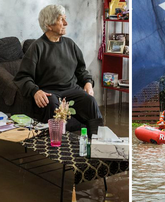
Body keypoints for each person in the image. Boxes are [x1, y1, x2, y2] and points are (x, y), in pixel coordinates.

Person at [13, 5, 103, 137]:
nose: (66, 23)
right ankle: (58, 146)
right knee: (52, 105)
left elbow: (81, 70)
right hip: (49, 93)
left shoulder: (70, 44)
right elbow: (23, 77)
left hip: (72, 91)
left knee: (90, 102)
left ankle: (98, 143)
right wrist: (35, 91)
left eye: (65, 19)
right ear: (49, 25)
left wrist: (88, 83)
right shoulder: (37, 47)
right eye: (62, 20)